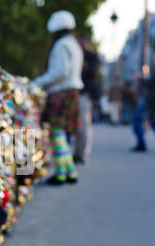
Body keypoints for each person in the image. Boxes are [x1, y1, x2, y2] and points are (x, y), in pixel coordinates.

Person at [31, 10, 84, 185]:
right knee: (62, 134)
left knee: (57, 134)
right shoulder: (73, 44)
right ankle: (70, 172)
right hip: (72, 92)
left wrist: (38, 82)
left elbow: (59, 72)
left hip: (61, 93)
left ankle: (61, 174)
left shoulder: (61, 45)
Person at [74, 35, 101, 165]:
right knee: (76, 124)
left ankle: (83, 153)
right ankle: (77, 151)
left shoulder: (92, 57)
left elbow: (92, 72)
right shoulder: (76, 54)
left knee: (84, 124)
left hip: (85, 93)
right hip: (76, 92)